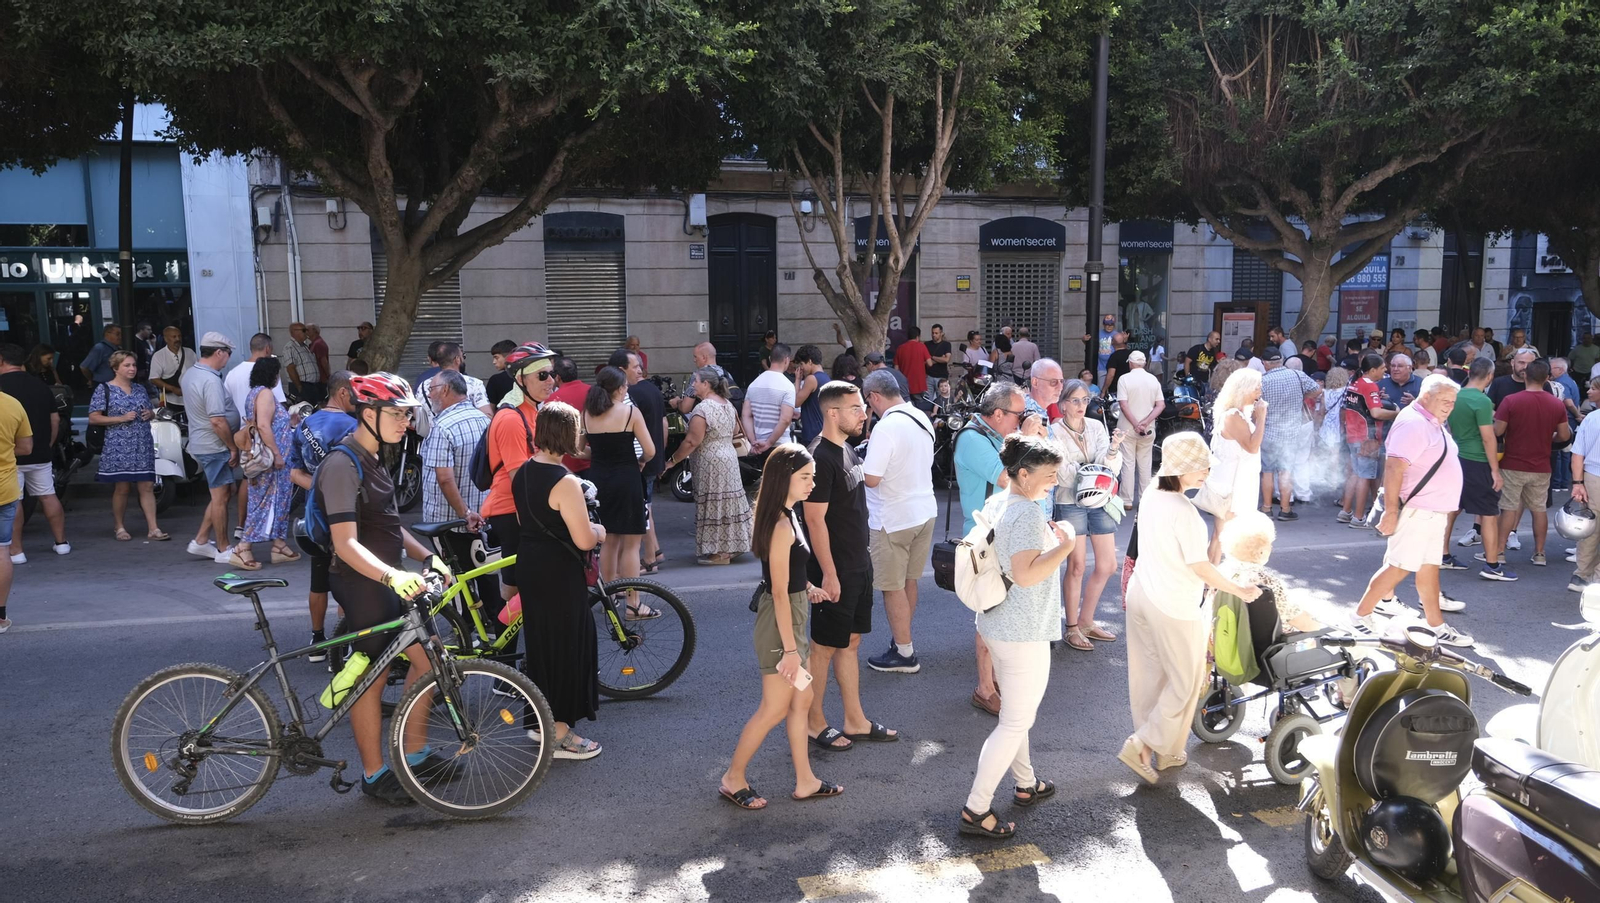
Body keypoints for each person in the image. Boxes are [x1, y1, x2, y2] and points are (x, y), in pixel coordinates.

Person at [314, 372, 451, 802]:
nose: (405, 423)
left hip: (388, 577)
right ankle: (374, 775)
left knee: (429, 660)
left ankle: (416, 755)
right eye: (397, 414)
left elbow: (389, 525)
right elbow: (346, 543)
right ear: (367, 413)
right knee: (369, 680)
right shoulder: (342, 464)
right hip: (361, 583)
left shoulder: (374, 457)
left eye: (409, 415)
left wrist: (427, 556)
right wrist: (393, 576)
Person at [1119, 432, 1263, 783]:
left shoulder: (1152, 492)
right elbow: (1200, 567)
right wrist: (1239, 590)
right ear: (1179, 468)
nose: (1206, 472)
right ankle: (1143, 745)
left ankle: (1167, 750)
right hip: (1172, 603)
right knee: (1186, 681)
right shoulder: (1183, 511)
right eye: (1200, 467)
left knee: (1150, 677)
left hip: (1141, 594)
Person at [957, 434, 1072, 839]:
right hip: (1023, 630)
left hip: (997, 624)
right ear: (1023, 474)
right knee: (1015, 722)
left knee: (1014, 714)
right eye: (1049, 475)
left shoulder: (999, 500)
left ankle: (1025, 783)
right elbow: (1025, 574)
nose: (1054, 482)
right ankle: (976, 809)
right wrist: (1067, 545)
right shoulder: (1026, 513)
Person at [717, 443, 841, 810]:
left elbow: (788, 575)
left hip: (793, 617)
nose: (812, 483)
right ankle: (733, 778)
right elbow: (778, 592)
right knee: (774, 708)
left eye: (812, 477)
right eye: (805, 477)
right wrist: (789, 650)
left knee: (802, 699)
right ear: (783, 478)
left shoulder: (788, 512)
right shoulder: (780, 524)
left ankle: (806, 780)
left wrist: (808, 586)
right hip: (781, 627)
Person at [801, 380, 900, 751]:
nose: (864, 413)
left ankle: (855, 720)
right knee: (823, 647)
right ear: (833, 413)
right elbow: (814, 521)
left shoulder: (846, 449)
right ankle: (813, 722)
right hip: (835, 569)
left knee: (851, 642)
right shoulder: (818, 457)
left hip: (858, 563)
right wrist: (828, 574)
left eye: (863, 406)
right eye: (856, 408)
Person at [507, 400, 607, 760]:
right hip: (559, 572)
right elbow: (584, 539)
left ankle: (541, 722)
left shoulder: (523, 472)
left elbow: (525, 522)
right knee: (566, 648)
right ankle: (561, 734)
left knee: (542, 649)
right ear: (569, 434)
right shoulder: (564, 481)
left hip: (531, 565)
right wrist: (599, 531)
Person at [1349, 376, 1474, 647]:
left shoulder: (1429, 420)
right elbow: (1394, 468)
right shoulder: (1414, 423)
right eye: (1444, 401)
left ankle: (1436, 626)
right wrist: (1391, 511)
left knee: (1428, 569)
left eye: (1453, 402)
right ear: (1426, 396)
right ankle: (1359, 618)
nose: (1449, 406)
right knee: (1399, 567)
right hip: (1418, 510)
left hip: (1430, 511)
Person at [955, 383, 1029, 714]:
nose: (1021, 421)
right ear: (998, 414)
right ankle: (984, 688)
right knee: (990, 612)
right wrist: (1029, 440)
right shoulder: (972, 439)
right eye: (1018, 415)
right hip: (986, 539)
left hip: (1004, 535)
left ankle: (996, 679)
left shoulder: (993, 435)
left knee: (1005, 614)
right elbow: (1008, 479)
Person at [860, 368, 936, 674]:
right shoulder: (921, 417)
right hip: (923, 511)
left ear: (874, 396)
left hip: (892, 517)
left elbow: (872, 478)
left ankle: (905, 653)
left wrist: (857, 465)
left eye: (867, 401)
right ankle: (902, 640)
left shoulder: (886, 427)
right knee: (909, 581)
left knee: (892, 587)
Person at [287, 370, 358, 658]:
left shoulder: (304, 425)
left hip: (313, 516)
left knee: (318, 579)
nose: (359, 398)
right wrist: (333, 491)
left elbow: (294, 473)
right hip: (345, 515)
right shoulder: (352, 426)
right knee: (347, 579)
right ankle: (347, 643)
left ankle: (317, 641)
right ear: (342, 392)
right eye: (355, 391)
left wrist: (318, 489)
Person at [482, 343, 559, 603]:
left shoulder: (533, 410)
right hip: (511, 510)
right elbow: (520, 479)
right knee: (514, 590)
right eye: (542, 375)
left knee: (531, 585)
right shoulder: (511, 418)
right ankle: (505, 632)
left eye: (552, 374)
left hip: (525, 507)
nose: (551, 381)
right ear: (521, 380)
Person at [1052, 379, 1124, 652]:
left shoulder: (1096, 426)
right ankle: (1071, 627)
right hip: (1069, 501)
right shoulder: (1054, 431)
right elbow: (1062, 473)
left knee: (1108, 565)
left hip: (1100, 499)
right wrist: (1095, 468)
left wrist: (1113, 449)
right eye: (1075, 400)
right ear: (1063, 405)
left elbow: (1111, 466)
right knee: (1077, 566)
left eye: (1085, 400)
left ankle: (1086, 621)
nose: (1081, 405)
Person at [419, 368, 493, 611]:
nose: (429, 395)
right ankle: (492, 621)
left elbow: (445, 479)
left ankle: (467, 627)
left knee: (456, 577)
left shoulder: (442, 426)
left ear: (446, 390)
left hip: (450, 521)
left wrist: (465, 513)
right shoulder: (484, 420)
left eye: (431, 389)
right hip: (482, 516)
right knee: (484, 571)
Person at [663, 367, 752, 565]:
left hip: (711, 462)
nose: (693, 385)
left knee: (715, 504)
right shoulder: (727, 404)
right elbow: (735, 430)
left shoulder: (703, 409)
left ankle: (719, 553)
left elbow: (691, 441)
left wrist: (672, 461)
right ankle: (733, 546)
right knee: (729, 501)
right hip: (729, 458)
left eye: (695, 381)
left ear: (706, 384)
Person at [583, 366, 656, 603]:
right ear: (620, 388)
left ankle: (610, 598)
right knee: (632, 544)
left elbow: (577, 449)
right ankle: (633, 604)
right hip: (627, 479)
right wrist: (641, 461)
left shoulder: (587, 413)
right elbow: (650, 451)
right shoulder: (630, 412)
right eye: (625, 385)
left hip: (599, 480)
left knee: (609, 541)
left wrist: (598, 454)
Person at [1490, 358, 1571, 569]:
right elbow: (1564, 435)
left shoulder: (1510, 400)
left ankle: (1499, 552)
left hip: (1512, 463)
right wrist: (1548, 438)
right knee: (1539, 509)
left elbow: (1498, 431)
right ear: (1547, 378)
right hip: (1541, 464)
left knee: (1508, 508)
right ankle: (1540, 553)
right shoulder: (1556, 404)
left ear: (1525, 375)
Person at [1439, 358, 1509, 579]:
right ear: (1489, 376)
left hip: (1456, 457)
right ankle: (1492, 566)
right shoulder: (1482, 401)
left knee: (1452, 508)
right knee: (1488, 513)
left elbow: (1449, 428)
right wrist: (1495, 470)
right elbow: (1488, 438)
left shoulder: (1455, 396)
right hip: (1477, 460)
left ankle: (1442, 555)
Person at [88, 350, 167, 542]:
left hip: (142, 443)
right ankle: (119, 526)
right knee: (122, 487)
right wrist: (120, 418)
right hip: (118, 445)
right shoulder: (104, 389)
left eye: (133, 365)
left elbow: (150, 410)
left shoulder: (140, 389)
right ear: (115, 368)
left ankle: (153, 528)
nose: (132, 369)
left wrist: (151, 414)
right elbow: (94, 418)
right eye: (127, 365)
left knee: (147, 486)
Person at [0, 345, 69, 562]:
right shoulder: (41, 385)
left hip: (9, 455)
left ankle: (16, 551)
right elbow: (54, 419)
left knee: (15, 501)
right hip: (40, 452)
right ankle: (61, 543)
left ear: (1, 360)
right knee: (48, 495)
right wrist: (48, 444)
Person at [182, 333, 242, 562]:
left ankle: (200, 541)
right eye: (228, 354)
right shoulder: (210, 380)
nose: (228, 359)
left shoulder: (191, 373)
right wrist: (232, 447)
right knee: (220, 496)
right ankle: (223, 549)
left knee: (225, 492)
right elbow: (217, 420)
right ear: (219, 352)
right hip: (214, 445)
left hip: (205, 442)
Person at [232, 357, 297, 569]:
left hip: (271, 460)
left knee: (276, 501)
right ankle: (243, 548)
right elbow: (263, 425)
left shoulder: (254, 393)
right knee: (264, 502)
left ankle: (279, 545)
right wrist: (277, 454)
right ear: (273, 375)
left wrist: (288, 422)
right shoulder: (266, 393)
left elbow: (267, 422)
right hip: (272, 461)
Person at [611, 349, 667, 572]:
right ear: (621, 370)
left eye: (639, 366)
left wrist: (644, 459)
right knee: (646, 508)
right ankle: (655, 552)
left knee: (642, 512)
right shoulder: (651, 390)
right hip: (647, 460)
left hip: (637, 464)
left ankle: (650, 558)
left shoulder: (630, 398)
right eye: (635, 366)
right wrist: (659, 456)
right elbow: (663, 424)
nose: (640, 370)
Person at [1207, 367, 1267, 558]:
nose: (1260, 392)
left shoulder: (1238, 413)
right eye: (1256, 387)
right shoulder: (1233, 415)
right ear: (1244, 389)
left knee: (1230, 533)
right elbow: (1252, 446)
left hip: (1239, 479)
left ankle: (1217, 573)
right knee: (1222, 534)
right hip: (1232, 483)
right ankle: (1210, 576)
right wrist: (1262, 418)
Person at [1258, 348, 1319, 521]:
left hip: (1269, 432)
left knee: (1267, 471)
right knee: (1286, 471)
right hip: (1291, 433)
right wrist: (1300, 396)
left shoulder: (1262, 381)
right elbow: (1317, 390)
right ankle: (1285, 509)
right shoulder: (1297, 375)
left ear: (1265, 363)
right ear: (1281, 360)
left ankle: (1266, 508)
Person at [1339, 354, 1398, 527]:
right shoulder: (1369, 385)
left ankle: (1345, 511)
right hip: (1367, 438)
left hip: (1353, 435)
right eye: (1382, 368)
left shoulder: (1355, 382)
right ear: (1372, 370)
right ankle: (1358, 518)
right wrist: (1398, 413)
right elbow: (1376, 413)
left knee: (1355, 474)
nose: (1385, 370)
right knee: (1365, 477)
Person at [0, 386, 32, 633]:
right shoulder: (12, 404)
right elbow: (26, 448)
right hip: (5, 488)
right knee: (2, 551)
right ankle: (0, 617)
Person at [1116, 350, 1163, 508]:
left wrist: (1136, 424)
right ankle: (1145, 499)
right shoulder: (1153, 380)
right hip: (1148, 429)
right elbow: (1160, 405)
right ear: (1144, 363)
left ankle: (1126, 500)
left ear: (1130, 363)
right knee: (1145, 464)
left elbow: (1123, 405)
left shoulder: (1124, 379)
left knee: (1128, 463)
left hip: (1127, 428)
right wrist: (1145, 422)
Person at [745, 343, 798, 456]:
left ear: (769, 358)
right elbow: (785, 419)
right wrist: (769, 443)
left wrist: (753, 441)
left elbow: (746, 415)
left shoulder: (753, 384)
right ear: (787, 360)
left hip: (758, 445)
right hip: (781, 445)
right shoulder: (788, 386)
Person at [226, 333, 285, 427]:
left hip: (240, 430)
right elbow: (279, 402)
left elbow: (226, 404)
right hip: (265, 429)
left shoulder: (232, 373)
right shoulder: (271, 371)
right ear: (267, 349)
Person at [547, 357, 591, 472]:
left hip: (566, 463)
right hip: (592, 458)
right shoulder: (593, 392)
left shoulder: (552, 399)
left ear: (557, 377)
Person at [147, 327, 195, 408]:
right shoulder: (158, 356)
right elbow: (154, 379)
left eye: (179, 336)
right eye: (174, 337)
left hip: (192, 399)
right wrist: (173, 389)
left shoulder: (190, 352)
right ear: (166, 339)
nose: (178, 339)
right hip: (170, 401)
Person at [793, 344, 828, 447]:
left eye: (801, 364)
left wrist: (798, 380)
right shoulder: (826, 378)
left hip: (812, 432)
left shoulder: (811, 379)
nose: (801, 368)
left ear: (810, 361)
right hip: (823, 430)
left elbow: (796, 402)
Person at [283, 322, 323, 405]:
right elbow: (290, 368)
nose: (307, 333)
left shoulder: (305, 346)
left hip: (312, 386)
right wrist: (299, 387)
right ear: (294, 332)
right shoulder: (290, 347)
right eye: (304, 330)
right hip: (302, 386)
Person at [893, 327, 933, 400]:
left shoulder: (900, 348)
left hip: (905, 385)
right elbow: (930, 363)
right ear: (917, 337)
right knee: (920, 406)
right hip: (919, 385)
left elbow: (896, 368)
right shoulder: (922, 346)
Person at [925, 324, 953, 401]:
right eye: (932, 333)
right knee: (928, 400)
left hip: (941, 376)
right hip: (929, 376)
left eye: (936, 333)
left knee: (942, 400)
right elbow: (925, 361)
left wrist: (932, 357)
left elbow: (946, 359)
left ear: (941, 333)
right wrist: (940, 358)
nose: (934, 335)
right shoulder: (927, 344)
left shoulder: (946, 345)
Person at [486, 339, 518, 406]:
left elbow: (490, 409)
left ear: (509, 356)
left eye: (496, 357)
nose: (494, 362)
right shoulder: (527, 376)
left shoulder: (495, 380)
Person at [1102, 332, 1132, 399]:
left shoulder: (1114, 357)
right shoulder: (1132, 354)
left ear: (1112, 343)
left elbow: (1111, 375)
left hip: (1117, 389)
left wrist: (1104, 390)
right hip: (1131, 388)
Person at [1089, 313, 1117, 381]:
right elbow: (1090, 345)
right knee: (1101, 384)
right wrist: (1084, 339)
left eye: (1111, 324)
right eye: (1107, 324)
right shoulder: (1098, 333)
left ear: (1114, 325)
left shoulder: (1116, 335)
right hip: (1101, 366)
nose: (1109, 326)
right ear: (1103, 324)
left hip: (1113, 366)